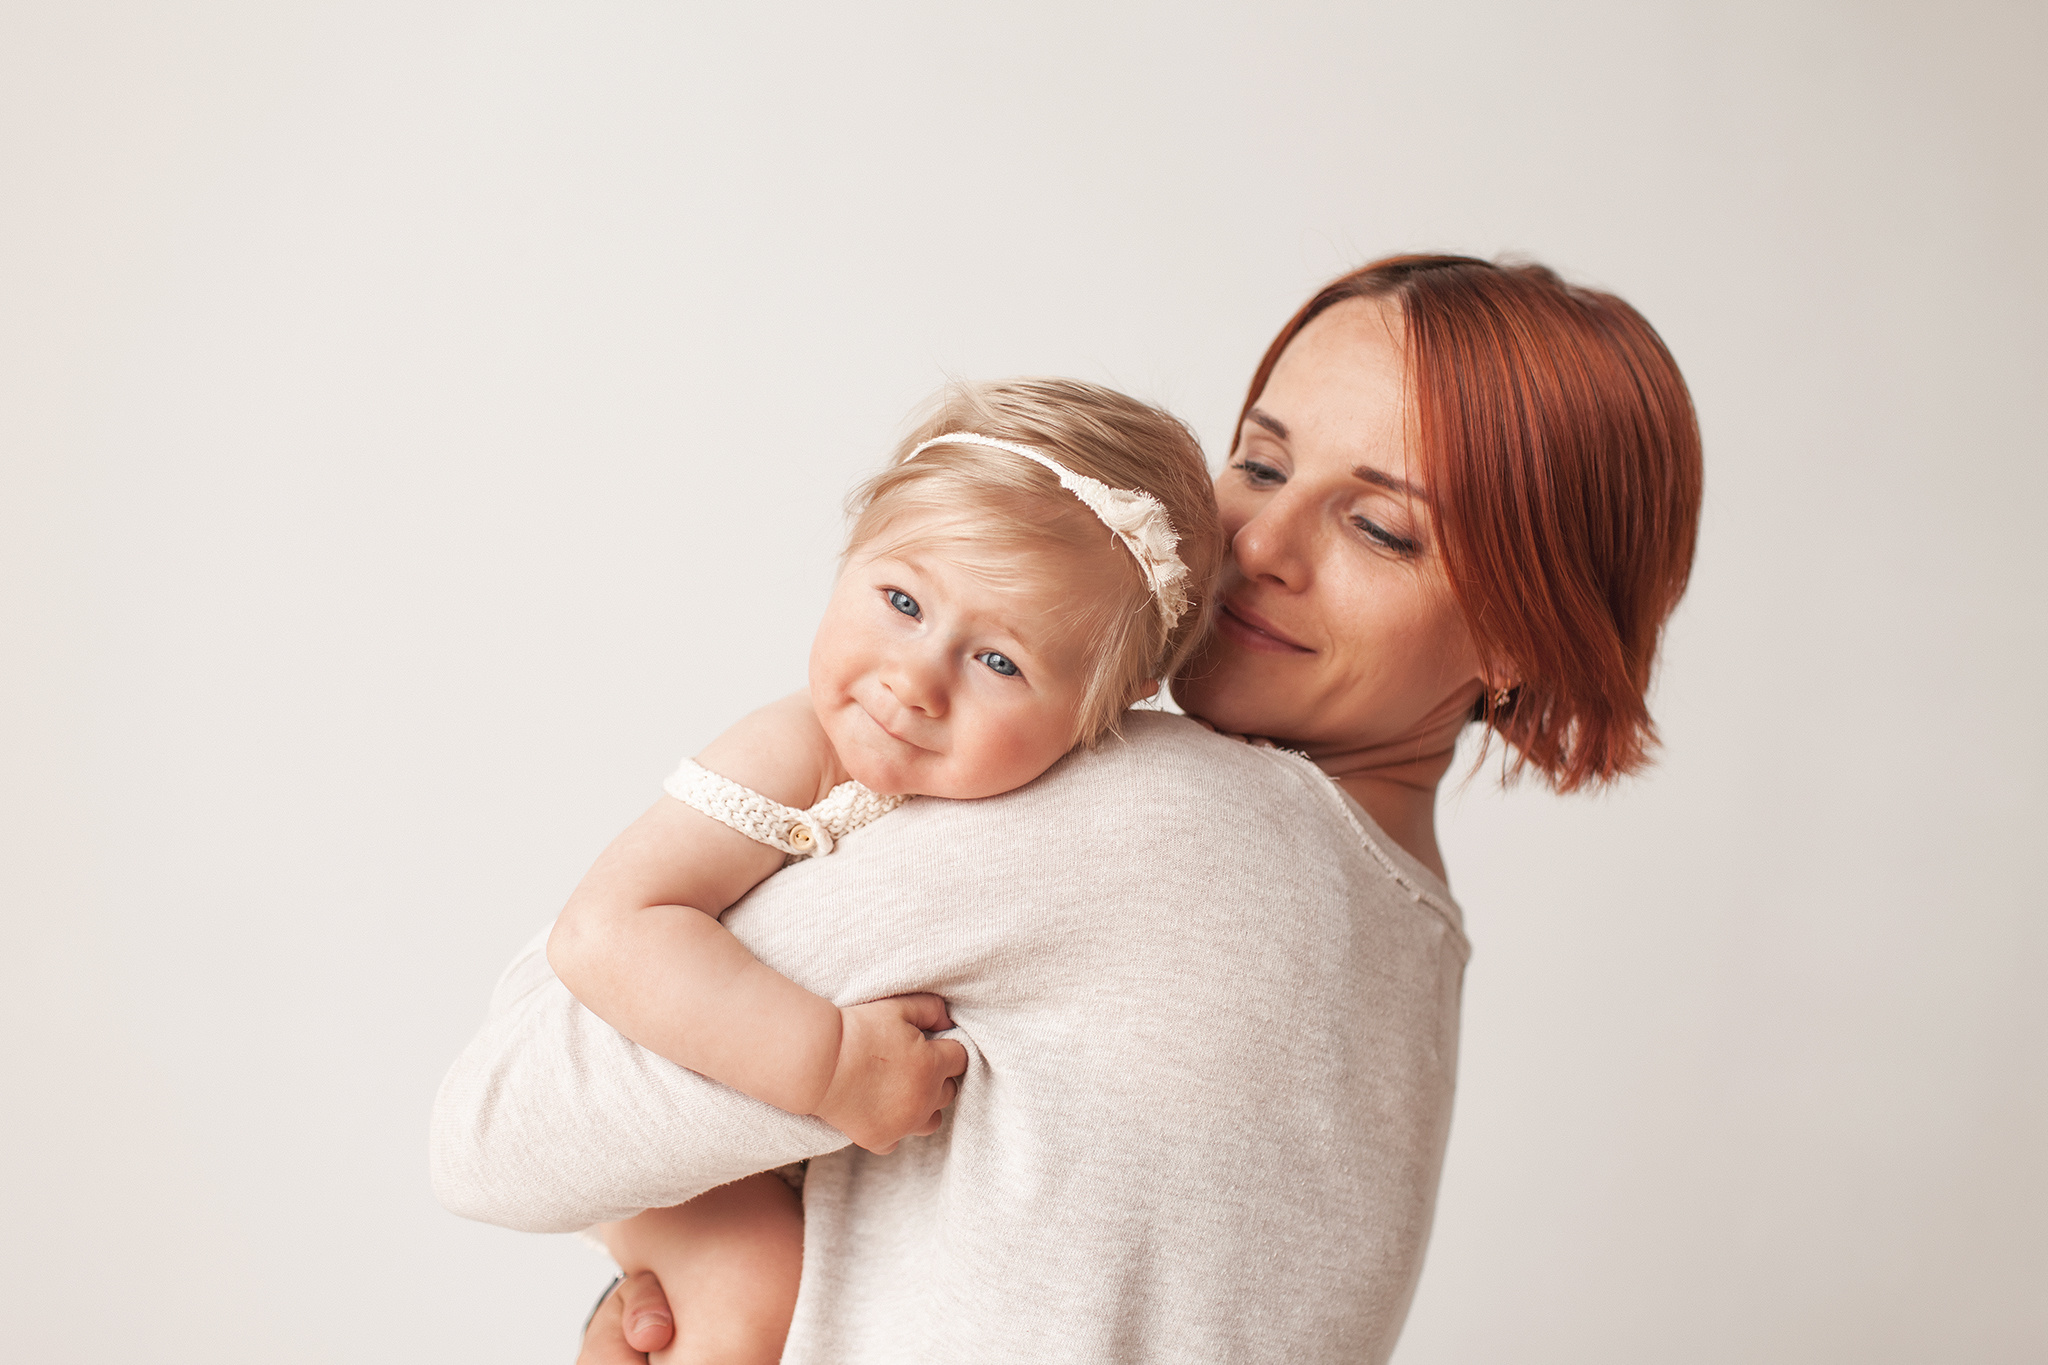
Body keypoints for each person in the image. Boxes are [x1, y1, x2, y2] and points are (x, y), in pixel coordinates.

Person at [430, 253, 1703, 1364]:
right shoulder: (1413, 949)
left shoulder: (1163, 817)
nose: (1259, 543)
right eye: (1258, 461)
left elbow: (496, 1124)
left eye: (1379, 528)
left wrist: (708, 1272)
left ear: (1527, 631)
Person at [540, 377, 1225, 1363]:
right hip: (688, 1141)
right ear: (852, 548)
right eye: (901, 600)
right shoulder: (792, 750)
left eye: (999, 663)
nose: (914, 679)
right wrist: (829, 1063)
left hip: (817, 1162)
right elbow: (604, 933)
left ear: (1108, 708)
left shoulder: (1091, 817)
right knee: (752, 1290)